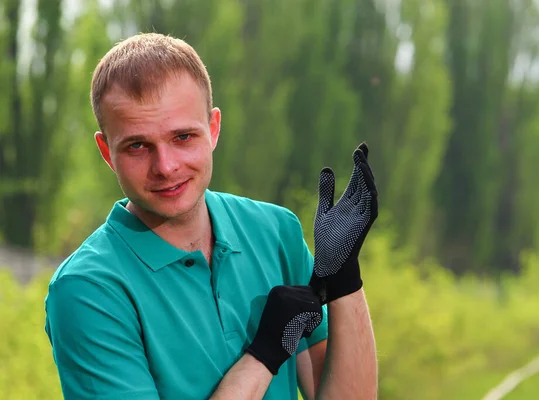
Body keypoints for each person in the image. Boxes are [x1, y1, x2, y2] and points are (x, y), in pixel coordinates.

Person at [44, 32, 378, 400]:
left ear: (214, 128)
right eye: (138, 145)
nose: (166, 166)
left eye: (183, 137)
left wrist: (346, 283)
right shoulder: (87, 290)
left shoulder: (275, 232)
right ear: (107, 152)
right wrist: (263, 356)